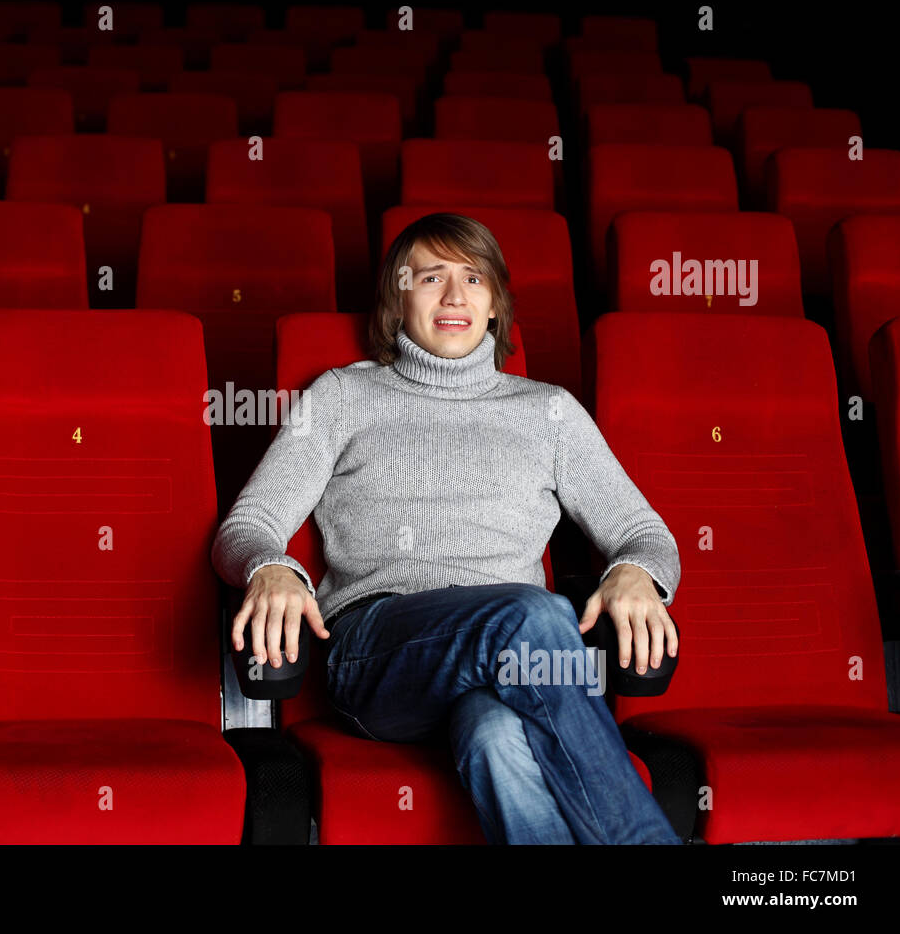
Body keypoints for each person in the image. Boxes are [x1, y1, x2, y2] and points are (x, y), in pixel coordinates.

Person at [211, 213, 682, 844]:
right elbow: (246, 526)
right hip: (376, 653)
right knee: (537, 616)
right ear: (396, 297)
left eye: (474, 279)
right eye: (431, 277)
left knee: (495, 737)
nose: (455, 296)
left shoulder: (549, 411)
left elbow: (645, 533)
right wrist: (270, 568)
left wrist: (634, 570)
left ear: (495, 305)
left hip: (507, 668)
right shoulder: (341, 397)